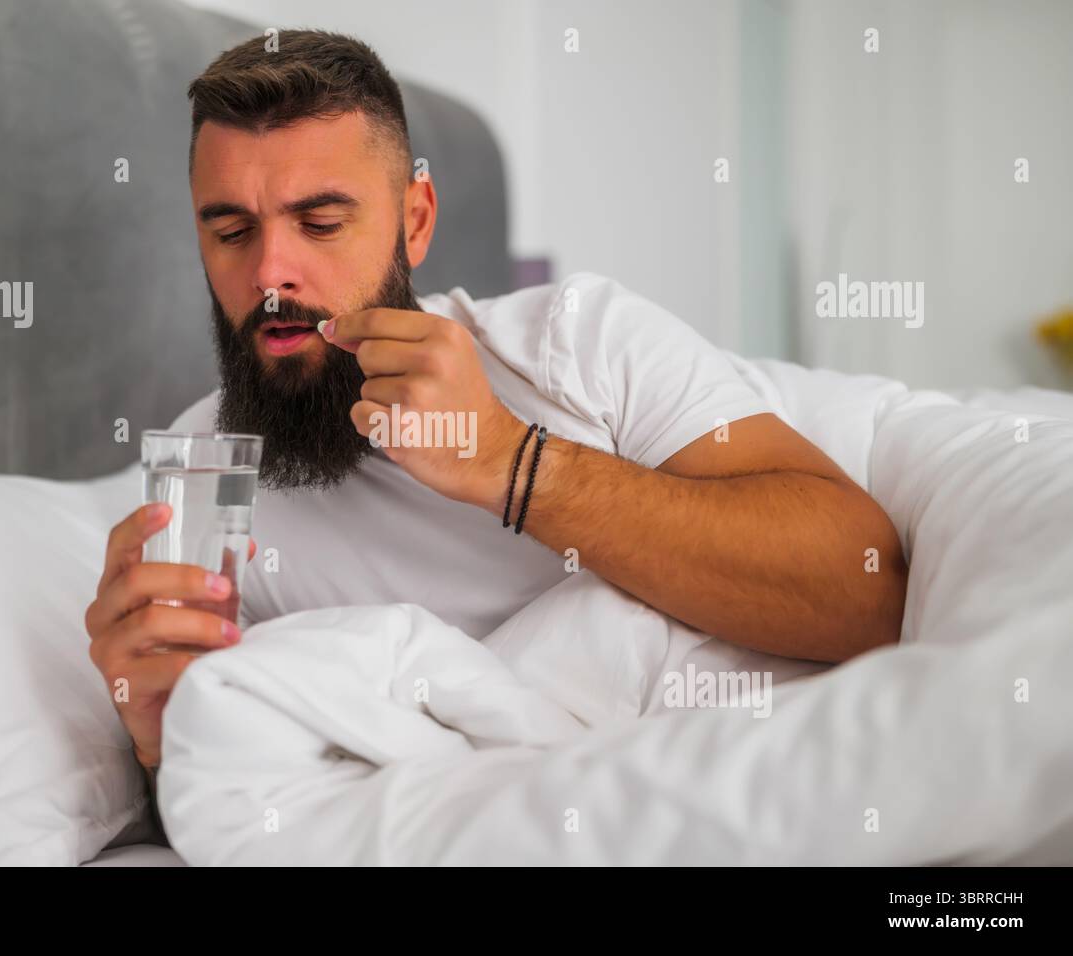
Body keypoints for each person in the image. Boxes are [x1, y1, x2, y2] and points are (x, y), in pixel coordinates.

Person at [84, 29, 907, 792]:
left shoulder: (579, 343)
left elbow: (864, 594)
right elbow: (247, 789)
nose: (271, 272)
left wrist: (513, 463)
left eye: (321, 223)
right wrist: (158, 739)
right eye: (231, 232)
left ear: (415, 221)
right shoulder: (202, 476)